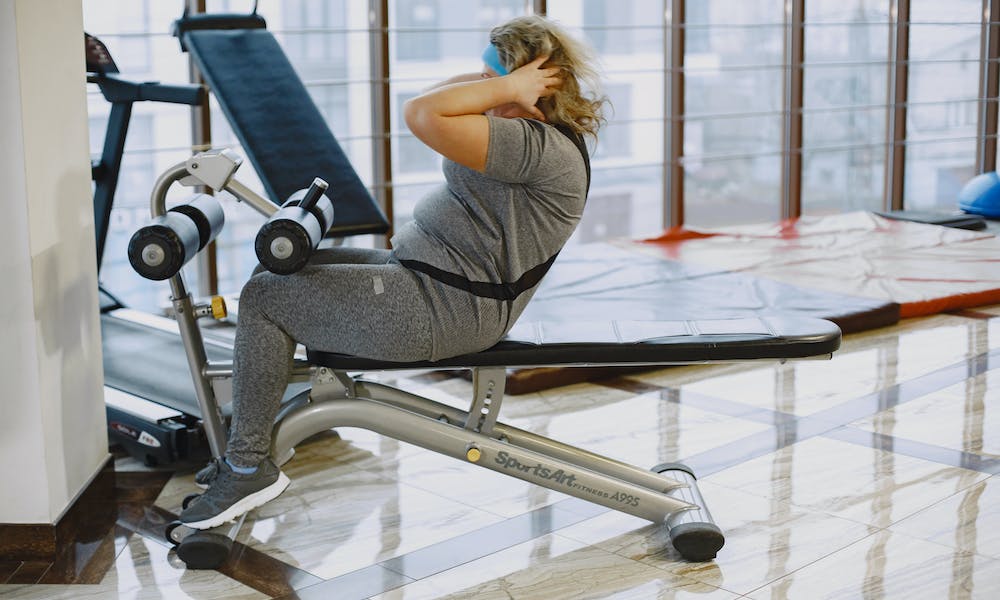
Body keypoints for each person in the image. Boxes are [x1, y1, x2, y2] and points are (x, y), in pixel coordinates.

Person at [178, 14, 606, 530]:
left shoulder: (534, 148)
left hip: (446, 305)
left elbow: (421, 112)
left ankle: (247, 464)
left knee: (267, 298)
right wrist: (502, 81)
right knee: (279, 273)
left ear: (531, 85)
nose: (484, 90)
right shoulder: (527, 128)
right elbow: (439, 97)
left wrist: (508, 84)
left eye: (496, 80)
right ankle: (255, 444)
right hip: (432, 279)